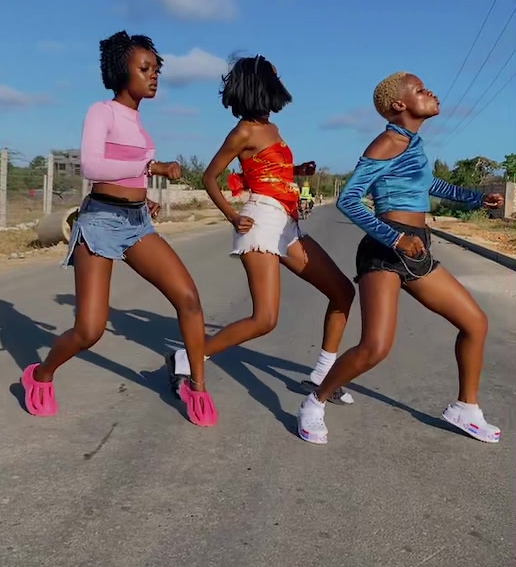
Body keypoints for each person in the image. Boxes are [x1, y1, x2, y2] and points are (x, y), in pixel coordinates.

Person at [21, 31, 217, 427]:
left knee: (188, 299)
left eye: (156, 69)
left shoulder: (140, 124)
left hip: (136, 222)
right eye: (145, 68)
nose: (154, 75)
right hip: (100, 224)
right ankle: (39, 375)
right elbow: (93, 167)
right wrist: (150, 167)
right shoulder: (102, 112)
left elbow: (128, 175)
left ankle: (196, 386)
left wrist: (145, 196)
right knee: (90, 330)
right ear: (121, 71)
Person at [297, 71, 504, 445]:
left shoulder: (413, 143)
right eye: (421, 90)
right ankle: (315, 402)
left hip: (416, 248)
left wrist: (476, 199)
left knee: (475, 322)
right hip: (384, 250)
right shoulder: (388, 141)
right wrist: (396, 238)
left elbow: (430, 184)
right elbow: (349, 199)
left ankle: (466, 409)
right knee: (376, 346)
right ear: (399, 104)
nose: (431, 93)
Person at [166, 54, 355, 401]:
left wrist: (297, 171)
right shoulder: (244, 131)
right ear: (261, 85)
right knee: (265, 319)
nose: (281, 82)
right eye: (275, 77)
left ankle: (323, 374)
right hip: (261, 223)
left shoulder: (271, 128)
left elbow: (264, 170)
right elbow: (210, 177)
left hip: (287, 224)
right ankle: (187, 357)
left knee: (343, 291)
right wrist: (231, 215)